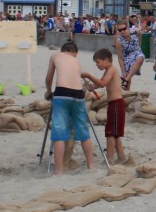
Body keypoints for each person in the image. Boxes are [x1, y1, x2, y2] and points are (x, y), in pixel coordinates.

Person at [43, 41, 95, 174]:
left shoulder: (55, 56)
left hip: (62, 93)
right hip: (78, 94)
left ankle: (59, 170)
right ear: (74, 53)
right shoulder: (76, 61)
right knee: (83, 130)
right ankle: (91, 165)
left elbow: (49, 78)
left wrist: (48, 91)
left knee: (59, 132)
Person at [82, 48, 126, 164]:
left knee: (111, 133)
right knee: (114, 133)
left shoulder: (112, 69)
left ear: (106, 60)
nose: (97, 65)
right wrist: (88, 86)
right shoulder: (107, 71)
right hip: (113, 104)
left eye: (98, 62)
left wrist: (88, 75)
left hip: (117, 104)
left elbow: (102, 83)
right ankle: (121, 157)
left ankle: (110, 158)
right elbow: (98, 85)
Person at [114, 21, 144, 90]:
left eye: (124, 29)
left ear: (128, 27)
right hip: (126, 56)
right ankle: (127, 82)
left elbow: (140, 34)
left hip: (136, 52)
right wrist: (123, 71)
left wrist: (139, 46)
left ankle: (126, 80)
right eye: (120, 30)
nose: (122, 31)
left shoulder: (135, 31)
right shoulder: (119, 40)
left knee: (141, 57)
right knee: (126, 77)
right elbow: (120, 57)